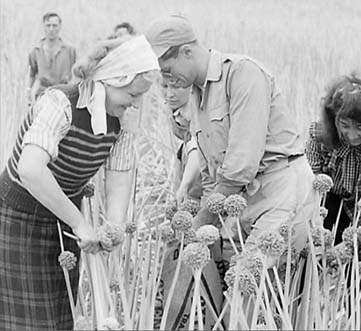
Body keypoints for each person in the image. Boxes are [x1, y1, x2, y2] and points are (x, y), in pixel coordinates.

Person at [0, 35, 159, 330]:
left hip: (63, 221)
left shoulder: (120, 121)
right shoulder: (59, 102)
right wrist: (80, 223)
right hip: (17, 217)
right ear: (112, 80)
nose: (136, 104)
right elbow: (31, 170)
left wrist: (113, 225)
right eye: (133, 95)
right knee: (29, 322)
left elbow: (119, 176)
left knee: (60, 318)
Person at [146, 15, 320, 265]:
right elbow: (210, 173)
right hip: (239, 202)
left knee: (252, 284)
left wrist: (202, 222)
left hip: (279, 191)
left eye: (168, 70)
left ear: (186, 52)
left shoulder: (243, 73)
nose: (167, 80)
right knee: (234, 282)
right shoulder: (196, 94)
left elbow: (241, 165)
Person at [305, 75, 361, 248]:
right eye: (344, 125)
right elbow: (310, 181)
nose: (352, 135)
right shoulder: (320, 136)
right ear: (333, 118)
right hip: (328, 203)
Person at [160, 75, 202, 204]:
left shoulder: (195, 111)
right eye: (165, 86)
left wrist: (184, 186)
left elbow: (196, 150)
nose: (169, 94)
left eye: (176, 87)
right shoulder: (174, 110)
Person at [27, 12, 77, 105]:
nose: (51, 29)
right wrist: (29, 93)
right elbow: (32, 74)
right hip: (42, 95)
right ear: (43, 27)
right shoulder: (36, 51)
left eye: (55, 26)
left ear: (60, 27)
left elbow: (75, 75)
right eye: (48, 25)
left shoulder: (70, 50)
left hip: (64, 95)